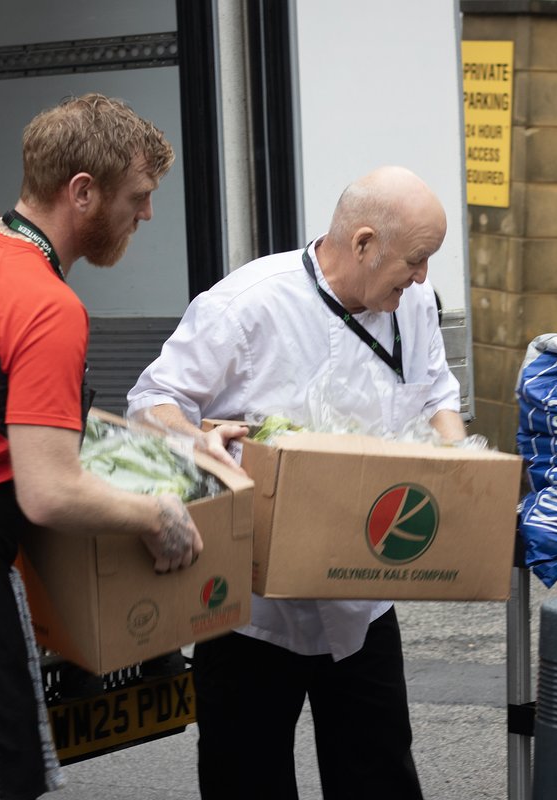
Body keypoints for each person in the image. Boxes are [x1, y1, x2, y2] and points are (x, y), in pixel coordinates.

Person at [0, 93, 203, 800]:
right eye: (138, 197)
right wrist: (158, 514)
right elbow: (48, 491)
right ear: (82, 192)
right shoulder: (51, 309)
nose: (146, 215)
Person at [127, 164, 464, 799]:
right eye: (417, 259)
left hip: (364, 592)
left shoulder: (413, 304)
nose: (423, 277)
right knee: (246, 779)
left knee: (380, 777)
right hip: (250, 605)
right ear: (364, 243)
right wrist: (198, 441)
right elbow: (152, 400)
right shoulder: (248, 304)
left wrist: (463, 466)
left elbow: (437, 392)